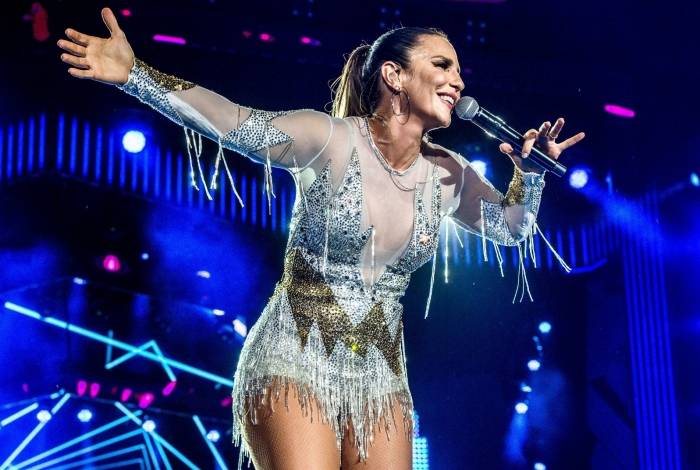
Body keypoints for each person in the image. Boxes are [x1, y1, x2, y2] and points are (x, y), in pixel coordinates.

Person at [58, 7, 585, 470]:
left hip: (381, 374)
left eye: (459, 72)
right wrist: (135, 75)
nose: (458, 82)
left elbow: (510, 229)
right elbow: (232, 123)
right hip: (294, 357)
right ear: (394, 75)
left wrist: (530, 174)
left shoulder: (450, 173)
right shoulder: (328, 138)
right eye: (442, 66)